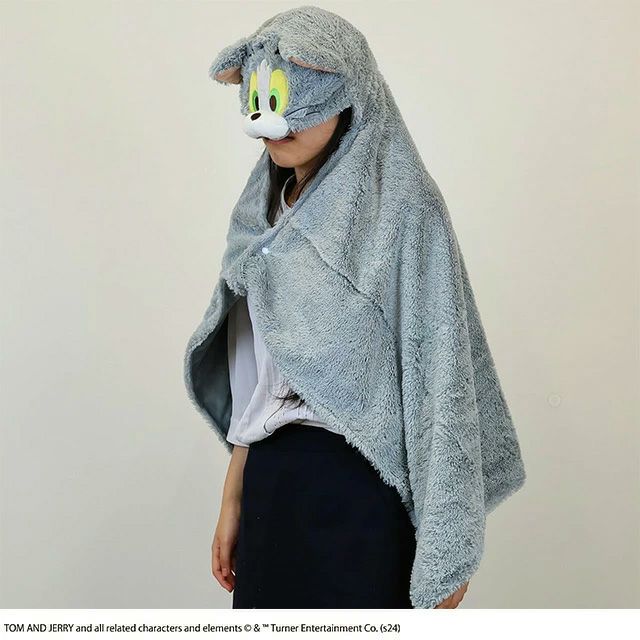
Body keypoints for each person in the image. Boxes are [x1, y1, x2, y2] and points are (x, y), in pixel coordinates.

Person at [183, 5, 525, 611]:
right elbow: (258, 374)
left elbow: (440, 371)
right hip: (272, 485)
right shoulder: (261, 216)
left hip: (362, 489)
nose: (274, 123)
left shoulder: (404, 210)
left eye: (295, 96)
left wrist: (446, 538)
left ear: (346, 93)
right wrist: (233, 496)